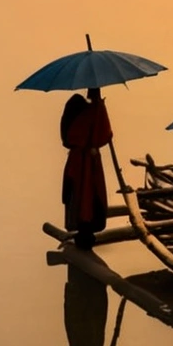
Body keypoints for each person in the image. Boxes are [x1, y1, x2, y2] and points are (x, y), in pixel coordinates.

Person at [61, 88, 113, 250]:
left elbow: (66, 138)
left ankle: (82, 231)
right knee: (87, 196)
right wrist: (99, 109)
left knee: (84, 196)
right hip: (86, 163)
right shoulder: (90, 111)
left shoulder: (80, 107)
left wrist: (99, 109)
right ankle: (85, 231)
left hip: (80, 162)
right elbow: (105, 135)